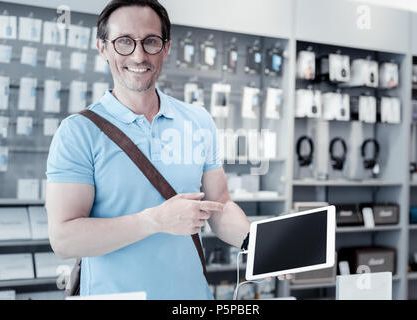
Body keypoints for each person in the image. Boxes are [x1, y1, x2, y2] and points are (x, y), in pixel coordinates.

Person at [46, 0, 289, 299]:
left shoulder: (197, 120)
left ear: (166, 48)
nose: (138, 54)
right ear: (102, 47)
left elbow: (220, 205)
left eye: (150, 41)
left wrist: (258, 245)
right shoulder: (78, 131)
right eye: (124, 41)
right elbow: (64, 239)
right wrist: (153, 221)